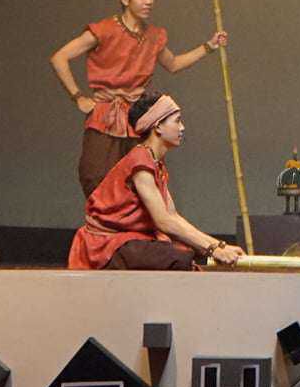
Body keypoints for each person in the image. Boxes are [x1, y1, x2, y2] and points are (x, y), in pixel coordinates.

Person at [49, 0, 228, 202]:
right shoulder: (103, 30)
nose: (149, 1)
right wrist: (78, 97)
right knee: (94, 175)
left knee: (142, 178)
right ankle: (105, 221)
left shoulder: (153, 36)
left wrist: (209, 46)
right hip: (105, 116)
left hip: (139, 116)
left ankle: (138, 223)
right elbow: (59, 58)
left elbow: (173, 64)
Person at [67, 91, 246, 270]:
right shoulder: (140, 160)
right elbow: (164, 221)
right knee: (179, 258)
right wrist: (212, 249)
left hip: (127, 240)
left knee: (187, 250)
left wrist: (218, 246)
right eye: (177, 121)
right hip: (107, 245)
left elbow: (172, 216)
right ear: (158, 126)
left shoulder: (154, 162)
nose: (182, 127)